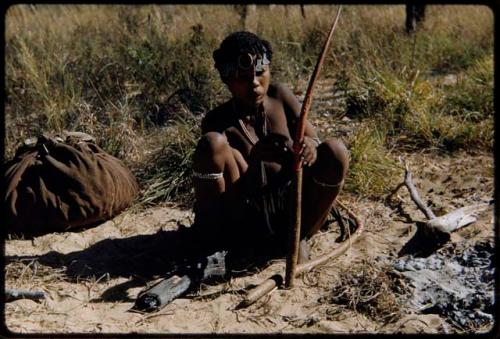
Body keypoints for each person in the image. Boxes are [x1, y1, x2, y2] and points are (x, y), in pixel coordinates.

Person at [191, 31, 349, 263]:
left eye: (259, 73)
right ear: (226, 80)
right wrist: (255, 162)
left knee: (336, 151)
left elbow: (313, 138)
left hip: (296, 210)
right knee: (212, 143)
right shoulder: (217, 122)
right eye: (242, 77)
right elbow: (237, 192)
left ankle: (299, 235)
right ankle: (235, 245)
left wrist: (309, 147)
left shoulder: (279, 96)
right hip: (247, 219)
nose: (254, 83)